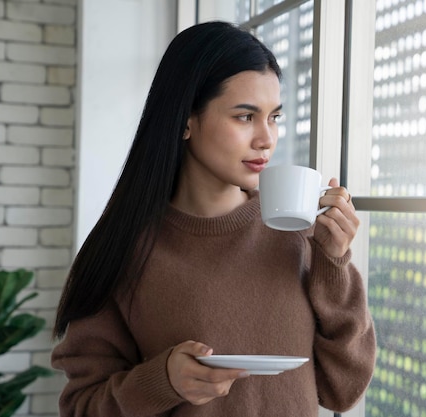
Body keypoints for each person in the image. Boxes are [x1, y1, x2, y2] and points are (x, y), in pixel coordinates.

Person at [51, 20, 376, 417]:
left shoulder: (301, 235)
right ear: (186, 120)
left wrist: (335, 263)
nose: (266, 138)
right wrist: (163, 381)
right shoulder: (123, 250)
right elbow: (80, 407)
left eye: (274, 117)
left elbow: (343, 392)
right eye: (245, 116)